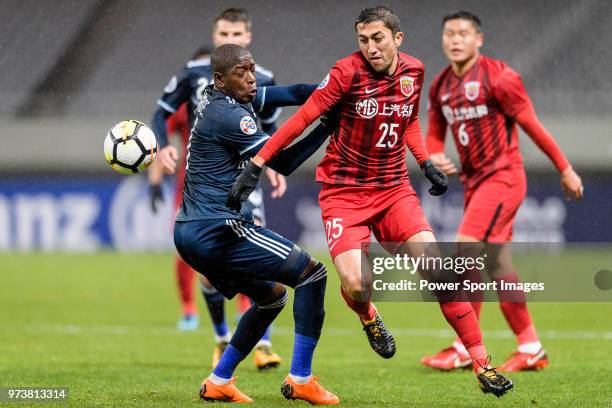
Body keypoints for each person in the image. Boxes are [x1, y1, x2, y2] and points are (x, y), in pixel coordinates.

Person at [229, 6, 513, 397]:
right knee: (358, 283)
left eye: (377, 39)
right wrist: (258, 164)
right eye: (363, 40)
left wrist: (425, 160)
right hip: (344, 193)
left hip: (394, 190)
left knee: (438, 270)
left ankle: (482, 364)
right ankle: (368, 314)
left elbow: (409, 119)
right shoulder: (346, 73)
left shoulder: (414, 71)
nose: (370, 48)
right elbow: (303, 119)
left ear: (397, 38)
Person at [158, 44, 338, 404]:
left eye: (252, 68)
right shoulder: (230, 115)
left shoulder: (222, 99)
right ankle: (301, 378)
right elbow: (283, 161)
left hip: (191, 232)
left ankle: (219, 379)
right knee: (313, 275)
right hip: (219, 228)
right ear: (221, 79)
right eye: (243, 72)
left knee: (271, 298)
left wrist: (329, 90)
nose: (252, 77)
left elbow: (292, 94)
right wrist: (327, 126)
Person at [422, 11, 583, 372]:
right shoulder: (441, 86)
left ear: (479, 39)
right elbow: (434, 131)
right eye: (449, 33)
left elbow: (532, 126)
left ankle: (465, 347)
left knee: (465, 250)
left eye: (463, 33)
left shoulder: (501, 78)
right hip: (475, 183)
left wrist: (565, 168)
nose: (455, 39)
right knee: (497, 263)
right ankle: (531, 347)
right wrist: (434, 153)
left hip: (504, 178)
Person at [150, 8, 285, 369]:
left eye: (237, 34)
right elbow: (160, 112)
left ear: (249, 37)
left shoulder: (263, 79)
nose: (231, 39)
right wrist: (162, 145)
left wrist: (271, 166)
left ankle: (264, 344)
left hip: (246, 181)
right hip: (205, 185)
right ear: (215, 36)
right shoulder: (194, 75)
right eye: (224, 33)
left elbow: (270, 130)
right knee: (210, 268)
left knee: (258, 253)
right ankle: (222, 337)